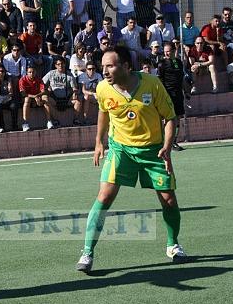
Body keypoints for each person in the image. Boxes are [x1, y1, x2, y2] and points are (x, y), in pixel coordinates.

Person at [76, 46, 186, 272]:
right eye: (103, 66)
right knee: (104, 197)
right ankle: (87, 252)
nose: (104, 70)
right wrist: (99, 142)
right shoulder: (103, 88)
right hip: (121, 150)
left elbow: (171, 117)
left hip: (153, 151)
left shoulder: (152, 84)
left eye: (110, 65)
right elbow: (103, 113)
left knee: (169, 200)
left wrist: (167, 147)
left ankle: (172, 245)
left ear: (126, 66)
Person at [157, 42, 186, 151]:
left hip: (178, 93)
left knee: (178, 117)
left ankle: (174, 142)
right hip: (167, 94)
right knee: (169, 118)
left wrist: (186, 91)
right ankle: (165, 142)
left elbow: (181, 78)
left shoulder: (178, 62)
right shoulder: (161, 64)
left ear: (174, 51)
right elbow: (159, 80)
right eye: (165, 51)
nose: (167, 53)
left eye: (169, 51)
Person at [42, 58, 80, 124]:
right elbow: (42, 83)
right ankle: (55, 120)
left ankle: (75, 120)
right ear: (55, 65)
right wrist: (47, 88)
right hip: (54, 98)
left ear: (65, 64)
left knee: (78, 101)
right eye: (58, 64)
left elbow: (74, 88)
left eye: (62, 64)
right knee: (45, 99)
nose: (60, 65)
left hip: (67, 98)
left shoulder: (69, 74)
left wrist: (75, 93)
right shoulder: (51, 73)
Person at [19, 66, 55, 131]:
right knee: (27, 99)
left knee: (45, 98)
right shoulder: (22, 80)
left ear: (35, 73)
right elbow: (23, 94)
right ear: (27, 73)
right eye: (30, 72)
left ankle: (49, 121)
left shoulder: (38, 79)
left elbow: (43, 91)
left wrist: (37, 96)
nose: (31, 74)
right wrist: (34, 96)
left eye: (33, 72)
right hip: (27, 98)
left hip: (38, 97)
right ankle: (25, 123)